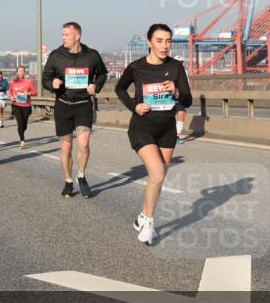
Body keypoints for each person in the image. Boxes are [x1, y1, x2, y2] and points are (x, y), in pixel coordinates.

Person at [116, 24, 193, 244]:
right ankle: (149, 223)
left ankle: (142, 216)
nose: (165, 45)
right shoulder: (136, 67)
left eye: (168, 40)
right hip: (142, 126)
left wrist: (176, 92)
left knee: (157, 179)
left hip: (167, 127)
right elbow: (120, 89)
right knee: (157, 173)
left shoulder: (176, 67)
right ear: (149, 42)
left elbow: (187, 100)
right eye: (159, 40)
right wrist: (134, 106)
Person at [42, 22, 108, 198]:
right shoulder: (56, 56)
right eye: (62, 34)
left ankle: (81, 176)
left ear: (77, 36)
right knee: (65, 147)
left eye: (66, 34)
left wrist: (96, 86)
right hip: (63, 104)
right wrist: (51, 84)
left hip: (83, 104)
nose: (62, 37)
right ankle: (68, 181)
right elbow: (45, 78)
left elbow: (102, 74)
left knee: (84, 143)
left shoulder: (92, 55)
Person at [9, 66, 38, 148]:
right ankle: (22, 141)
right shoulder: (13, 82)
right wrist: (11, 97)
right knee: (20, 123)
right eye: (19, 71)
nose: (21, 72)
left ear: (24, 72)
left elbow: (35, 92)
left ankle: (21, 131)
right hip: (16, 105)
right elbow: (10, 92)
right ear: (17, 72)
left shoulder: (28, 82)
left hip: (26, 105)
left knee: (24, 125)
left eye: (22, 71)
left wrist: (28, 93)